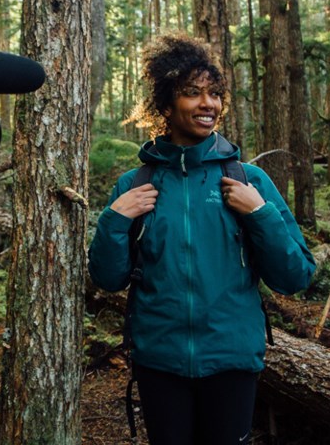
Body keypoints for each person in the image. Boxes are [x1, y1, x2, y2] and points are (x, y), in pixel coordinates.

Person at [88, 33, 315, 445]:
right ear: (166, 105)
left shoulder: (249, 180)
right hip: (160, 361)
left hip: (231, 360)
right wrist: (113, 222)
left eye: (214, 93)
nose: (207, 103)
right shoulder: (135, 184)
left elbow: (295, 276)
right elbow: (108, 279)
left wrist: (260, 213)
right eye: (192, 93)